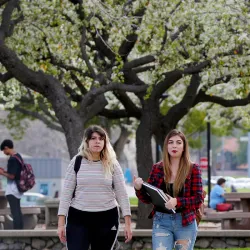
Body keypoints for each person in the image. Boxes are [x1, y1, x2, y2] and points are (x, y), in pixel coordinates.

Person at [57, 125, 132, 250]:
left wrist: (128, 224)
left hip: (107, 218)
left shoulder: (112, 164)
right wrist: (60, 224)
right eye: (93, 138)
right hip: (78, 217)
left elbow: (122, 195)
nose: (97, 141)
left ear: (105, 142)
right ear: (86, 141)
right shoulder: (77, 162)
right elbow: (66, 195)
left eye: (101, 139)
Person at [134, 129, 203, 250]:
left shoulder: (193, 168)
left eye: (178, 142)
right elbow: (148, 199)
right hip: (161, 221)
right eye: (170, 142)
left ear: (184, 147)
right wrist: (138, 188)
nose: (174, 145)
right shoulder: (157, 168)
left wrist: (177, 201)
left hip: (185, 222)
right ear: (166, 146)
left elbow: (198, 199)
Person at [0, 139, 24, 229]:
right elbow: (15, 173)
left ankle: (17, 232)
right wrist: (5, 171)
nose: (4, 152)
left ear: (6, 148)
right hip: (19, 188)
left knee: (15, 212)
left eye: (4, 151)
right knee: (18, 210)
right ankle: (21, 231)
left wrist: (2, 173)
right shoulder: (18, 156)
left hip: (12, 189)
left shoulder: (12, 159)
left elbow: (12, 176)